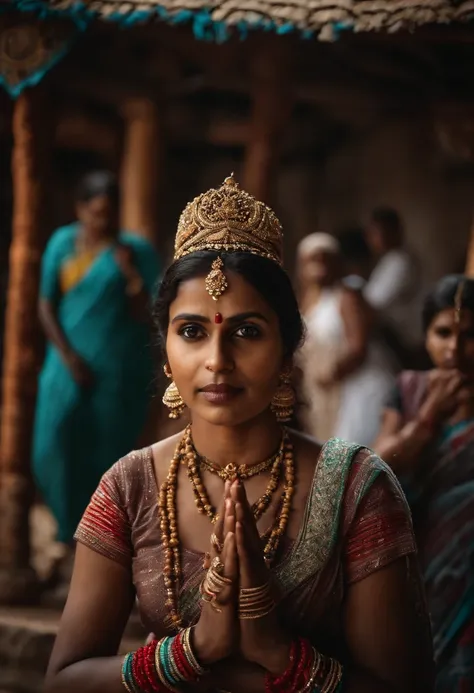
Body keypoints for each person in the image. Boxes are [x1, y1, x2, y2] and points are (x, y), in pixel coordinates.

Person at [44, 176, 433, 693]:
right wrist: (190, 652)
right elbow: (63, 680)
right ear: (164, 350)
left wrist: (279, 654)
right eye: (192, 332)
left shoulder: (359, 486)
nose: (218, 361)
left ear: (288, 348)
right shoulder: (128, 486)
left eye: (247, 331)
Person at [33, 171, 160, 548]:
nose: (103, 221)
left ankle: (98, 544)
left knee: (108, 453)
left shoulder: (134, 250)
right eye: (97, 212)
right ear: (81, 209)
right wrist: (68, 356)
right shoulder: (62, 243)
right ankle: (65, 532)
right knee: (50, 444)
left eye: (111, 212)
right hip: (65, 363)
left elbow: (147, 313)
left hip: (115, 369)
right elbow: (45, 303)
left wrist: (129, 274)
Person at [373, 274, 474, 692]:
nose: (453, 349)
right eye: (443, 332)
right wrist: (429, 417)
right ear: (426, 335)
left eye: (469, 335)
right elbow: (377, 468)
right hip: (419, 562)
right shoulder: (409, 390)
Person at [296, 232, 395, 446]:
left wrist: (330, 374)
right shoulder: (310, 300)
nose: (319, 265)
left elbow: (359, 349)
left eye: (325, 258)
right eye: (312, 259)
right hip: (329, 391)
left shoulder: (348, 295)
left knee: (350, 452)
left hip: (359, 386)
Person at [364, 207, 422, 364]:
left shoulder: (401, 261)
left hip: (403, 340)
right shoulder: (389, 260)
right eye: (373, 233)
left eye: (381, 231)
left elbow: (375, 304)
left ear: (396, 231)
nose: (376, 238)